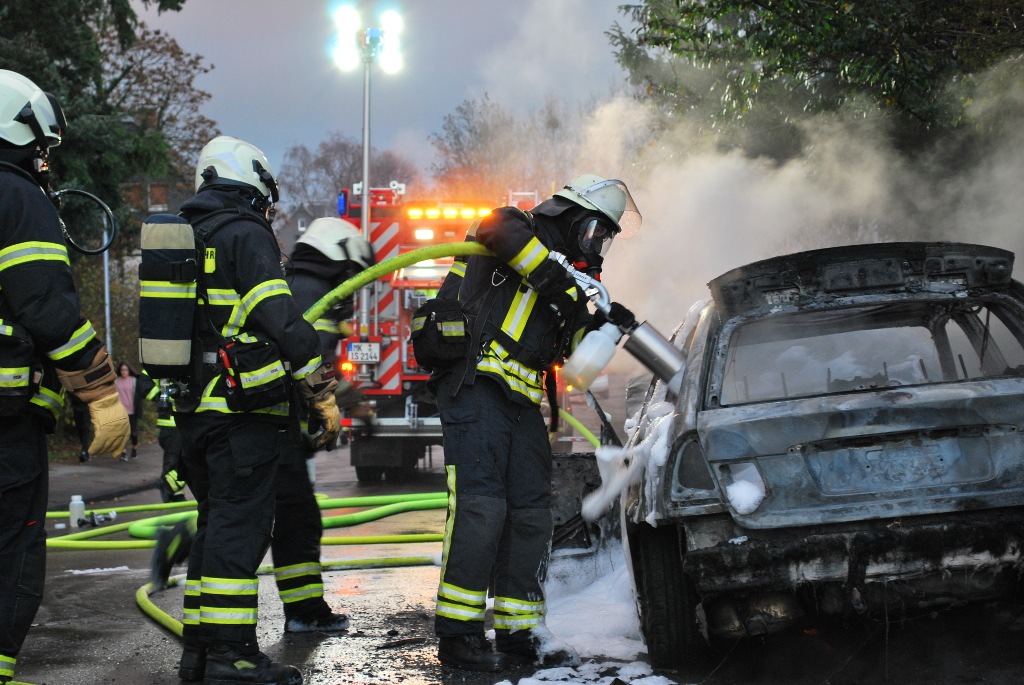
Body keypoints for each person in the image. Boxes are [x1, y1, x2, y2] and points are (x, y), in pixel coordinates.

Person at [431, 174, 642, 672]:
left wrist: (605, 329)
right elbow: (497, 232)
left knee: (530, 514)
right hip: (474, 386)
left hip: (522, 405)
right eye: (594, 231)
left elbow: (575, 364)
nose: (598, 244)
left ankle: (520, 629)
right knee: (482, 506)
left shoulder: (571, 284)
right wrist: (560, 281)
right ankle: (459, 636)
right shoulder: (512, 226)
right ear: (568, 215)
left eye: (605, 238)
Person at [170, 135, 340, 685]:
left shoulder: (189, 235)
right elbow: (279, 317)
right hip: (241, 419)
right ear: (253, 180)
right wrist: (319, 386)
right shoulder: (245, 232)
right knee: (239, 534)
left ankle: (199, 652)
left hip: (196, 416)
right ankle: (231, 657)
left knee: (216, 527)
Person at [0, 69, 130, 685]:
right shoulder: (16, 196)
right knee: (12, 548)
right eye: (42, 145)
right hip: (4, 426)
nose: (47, 158)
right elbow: (48, 309)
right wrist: (101, 393)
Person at [113, 361, 153, 461]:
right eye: (122, 370)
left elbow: (140, 395)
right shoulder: (116, 382)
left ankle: (134, 448)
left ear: (129, 370)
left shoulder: (134, 381)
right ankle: (123, 452)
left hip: (133, 411)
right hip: (121, 412)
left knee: (133, 433)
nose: (124, 372)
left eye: (125, 370)